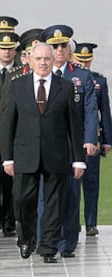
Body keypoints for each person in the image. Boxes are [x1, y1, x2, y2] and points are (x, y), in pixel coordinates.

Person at [1, 42, 85, 263]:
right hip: (24, 155)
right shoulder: (18, 85)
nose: (43, 63)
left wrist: (79, 160)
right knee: (22, 200)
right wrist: (7, 157)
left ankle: (48, 248)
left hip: (55, 155)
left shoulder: (64, 87)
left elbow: (74, 127)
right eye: (38, 59)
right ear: (30, 60)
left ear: (53, 60)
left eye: (47, 59)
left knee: (53, 204)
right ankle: (26, 238)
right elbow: (8, 123)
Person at [41, 25, 98, 258]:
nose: (59, 49)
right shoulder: (39, 74)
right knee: (45, 197)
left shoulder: (81, 76)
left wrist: (90, 139)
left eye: (63, 45)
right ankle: (45, 241)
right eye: (54, 45)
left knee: (72, 195)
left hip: (73, 145)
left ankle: (68, 242)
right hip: (45, 145)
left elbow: (91, 110)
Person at [72, 42, 112, 236]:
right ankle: (71, 224)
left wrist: (107, 140)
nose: (84, 64)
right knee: (71, 184)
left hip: (92, 140)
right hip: (71, 140)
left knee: (91, 183)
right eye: (80, 60)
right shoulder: (66, 79)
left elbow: (105, 112)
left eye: (87, 61)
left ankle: (90, 223)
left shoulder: (99, 82)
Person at [0, 31, 24, 236]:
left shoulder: (22, 72)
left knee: (12, 180)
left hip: (16, 136)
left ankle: (10, 219)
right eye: (3, 48)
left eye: (10, 48)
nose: (7, 51)